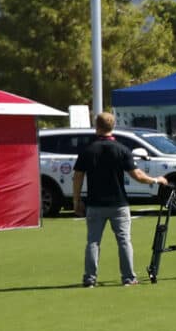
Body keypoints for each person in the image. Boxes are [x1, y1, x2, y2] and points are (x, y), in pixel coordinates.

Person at [71, 112, 169, 287]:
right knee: (124, 241)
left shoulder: (88, 150)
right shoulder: (122, 149)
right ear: (113, 126)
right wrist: (156, 180)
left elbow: (78, 177)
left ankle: (90, 279)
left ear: (97, 126)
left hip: (95, 203)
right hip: (118, 203)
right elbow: (137, 175)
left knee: (93, 242)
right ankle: (128, 278)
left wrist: (76, 200)